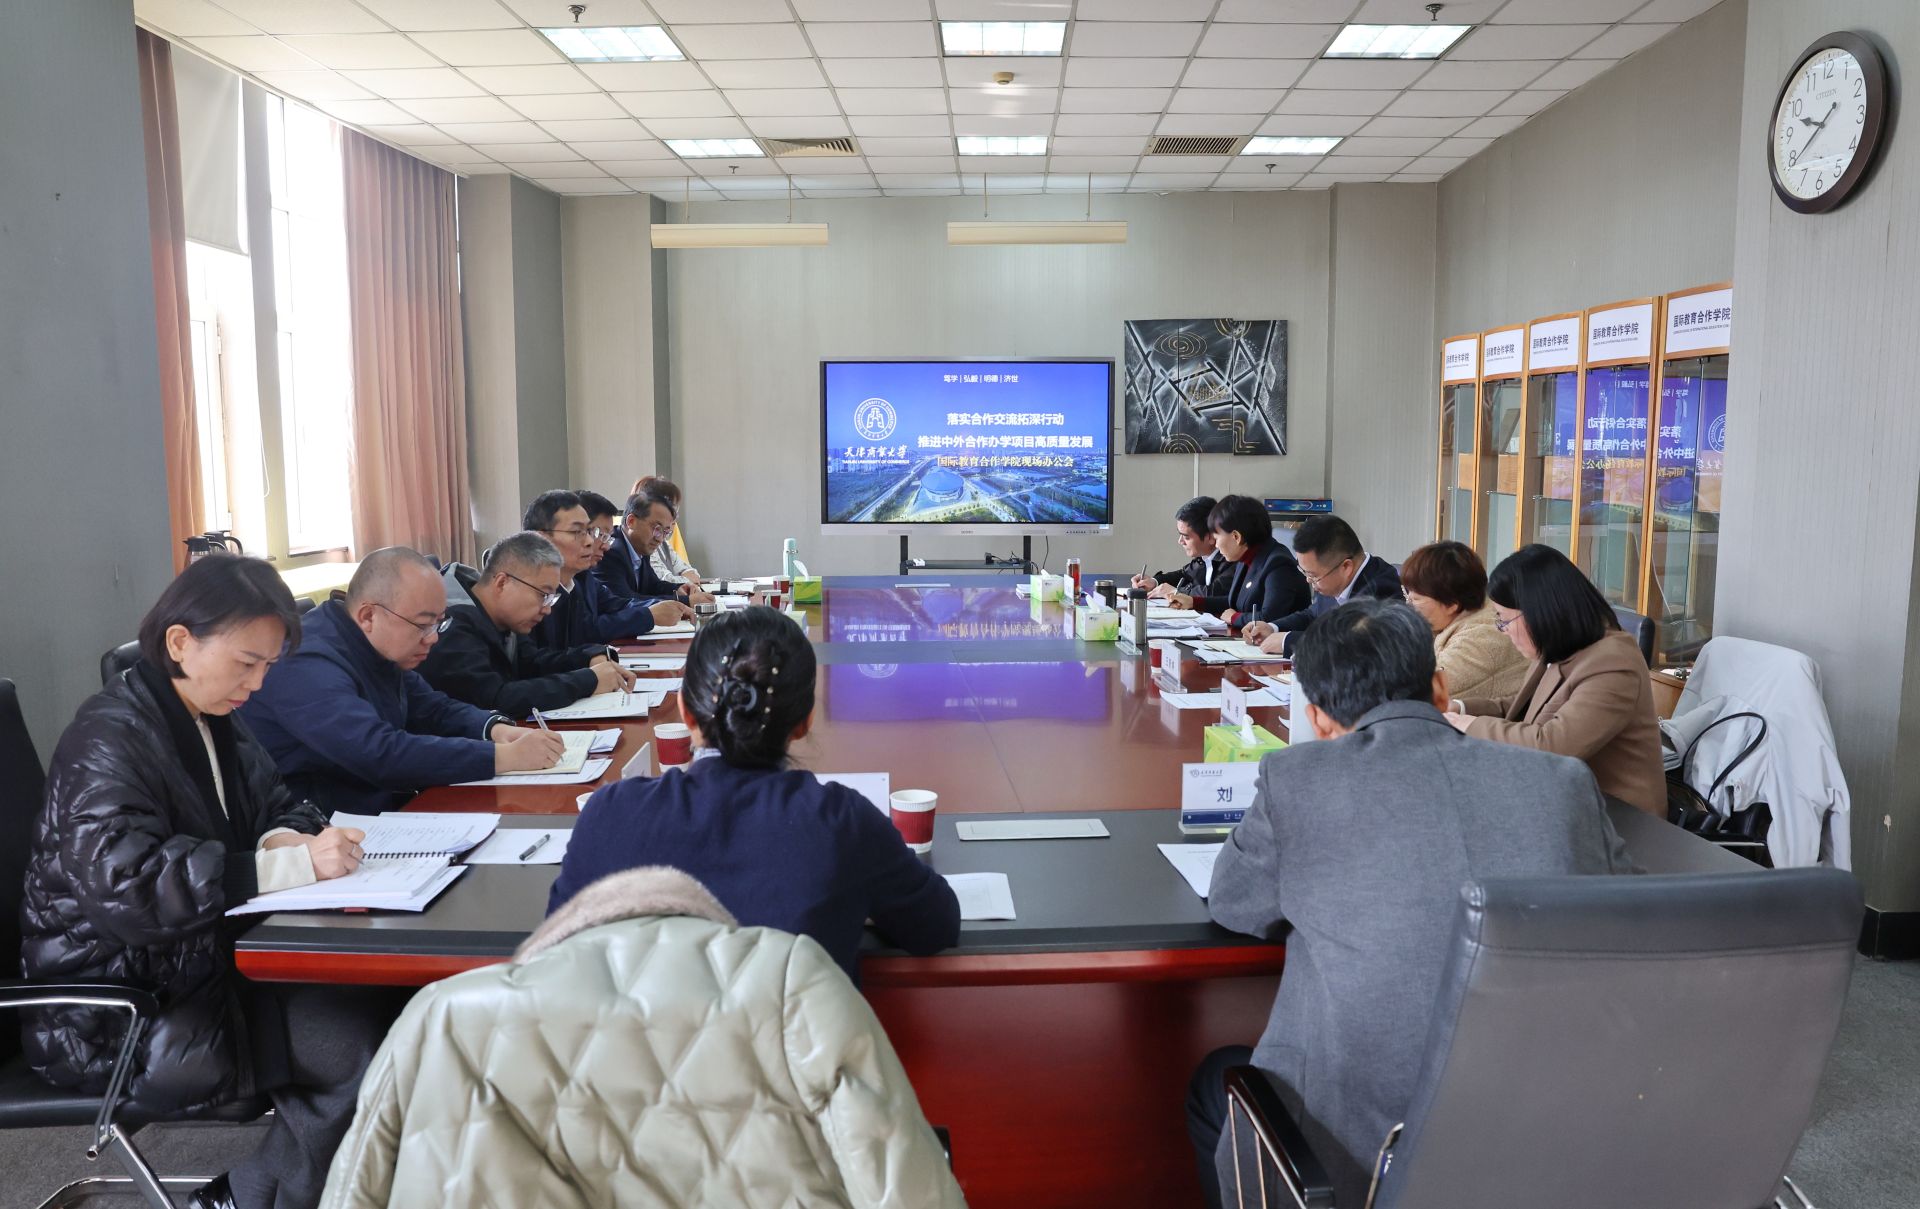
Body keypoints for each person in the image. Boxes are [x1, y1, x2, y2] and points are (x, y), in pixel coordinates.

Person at [1186, 598, 1632, 1209]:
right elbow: (1625, 914)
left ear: (1317, 719)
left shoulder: (1298, 778)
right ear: (1441, 690)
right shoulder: (1562, 782)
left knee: (1215, 1081)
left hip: (1359, 1156)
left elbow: (1235, 903)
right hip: (1547, 1136)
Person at [21, 555, 400, 1209]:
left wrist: (286, 839)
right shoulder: (106, 739)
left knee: (384, 1012)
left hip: (197, 965)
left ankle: (257, 1193)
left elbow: (280, 803)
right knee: (358, 1046)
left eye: (267, 665)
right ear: (180, 642)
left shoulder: (210, 713)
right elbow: (131, 890)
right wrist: (288, 865)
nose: (258, 683)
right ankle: (253, 1195)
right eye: (246, 662)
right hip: (115, 1011)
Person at [548, 606, 960, 985]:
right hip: (795, 1044)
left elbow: (557, 954)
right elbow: (936, 927)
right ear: (805, 721)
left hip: (648, 1044)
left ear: (686, 712)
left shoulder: (610, 814)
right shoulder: (842, 822)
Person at [242, 547, 566, 813]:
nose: (433, 638)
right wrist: (503, 757)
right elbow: (379, 753)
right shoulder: (305, 662)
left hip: (380, 806)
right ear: (368, 616)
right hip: (324, 827)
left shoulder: (374, 643)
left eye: (438, 623)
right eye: (423, 625)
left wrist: (495, 729)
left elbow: (432, 707)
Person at [1444, 543, 1668, 815]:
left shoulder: (1613, 663)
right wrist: (1459, 708)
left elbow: (1552, 745)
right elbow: (1523, 707)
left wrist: (1468, 725)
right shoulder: (1559, 646)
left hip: (1616, 819)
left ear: (1538, 613)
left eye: (1504, 620)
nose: (1503, 630)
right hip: (1557, 799)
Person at [418, 531, 639, 717]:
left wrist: (588, 657)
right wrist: (587, 681)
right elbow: (495, 700)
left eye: (551, 598)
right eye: (543, 595)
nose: (547, 609)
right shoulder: (451, 627)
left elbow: (532, 662)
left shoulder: (502, 616)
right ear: (502, 582)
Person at [524, 489, 692, 648]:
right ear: (542, 538)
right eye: (579, 532)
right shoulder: (528, 589)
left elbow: (617, 603)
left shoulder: (582, 576)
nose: (592, 542)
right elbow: (585, 632)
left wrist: (674, 604)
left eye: (593, 533)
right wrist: (649, 615)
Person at [1244, 515, 1402, 656]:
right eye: (1305, 572)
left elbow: (1352, 644)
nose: (1308, 580)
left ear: (1346, 567)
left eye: (1313, 575)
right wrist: (1273, 628)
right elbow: (1313, 614)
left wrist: (1288, 641)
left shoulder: (1380, 587)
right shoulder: (1332, 577)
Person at [1399, 540, 1531, 700]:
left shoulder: (1481, 638)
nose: (1409, 605)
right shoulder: (1455, 619)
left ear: (1451, 604)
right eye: (1407, 595)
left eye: (1416, 599)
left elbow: (1417, 692)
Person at [1166, 494, 1309, 629]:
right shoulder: (1247, 557)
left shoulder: (1278, 564)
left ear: (1236, 537)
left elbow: (1270, 618)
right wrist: (1194, 602)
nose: (1216, 545)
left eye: (1217, 537)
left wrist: (1235, 618)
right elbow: (1233, 601)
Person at [598, 489, 712, 606]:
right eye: (657, 529)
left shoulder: (640, 547)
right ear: (631, 521)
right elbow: (625, 600)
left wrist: (678, 588)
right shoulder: (610, 551)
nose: (660, 539)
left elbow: (653, 585)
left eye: (665, 532)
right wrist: (685, 601)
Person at [1130, 495, 1230, 602]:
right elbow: (1183, 575)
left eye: (1186, 537)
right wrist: (1154, 582)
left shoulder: (1231, 560)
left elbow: (1214, 593)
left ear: (1210, 537)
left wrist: (1176, 592)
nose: (1180, 541)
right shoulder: (1204, 558)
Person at [631, 474, 704, 592]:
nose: (675, 515)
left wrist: (685, 579)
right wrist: (685, 581)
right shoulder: (644, 543)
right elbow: (662, 581)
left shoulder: (662, 541)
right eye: (670, 507)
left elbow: (690, 572)